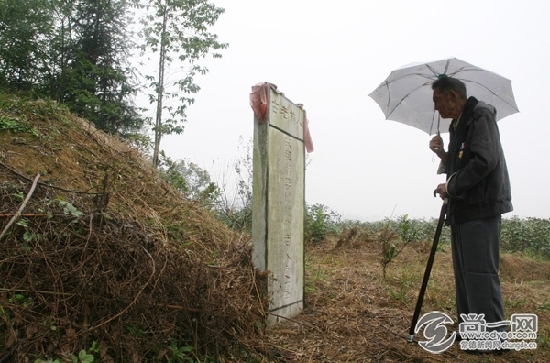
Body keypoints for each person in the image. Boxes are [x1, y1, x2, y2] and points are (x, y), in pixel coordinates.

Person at [429, 76, 513, 344]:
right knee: (465, 274)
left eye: (438, 101)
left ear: (453, 97)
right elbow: (462, 162)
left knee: (480, 273)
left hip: (481, 207)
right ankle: (472, 332)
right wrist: (444, 154)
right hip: (463, 209)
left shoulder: (480, 116)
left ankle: (492, 338)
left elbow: (484, 161)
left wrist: (450, 186)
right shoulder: (460, 124)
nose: (436, 108)